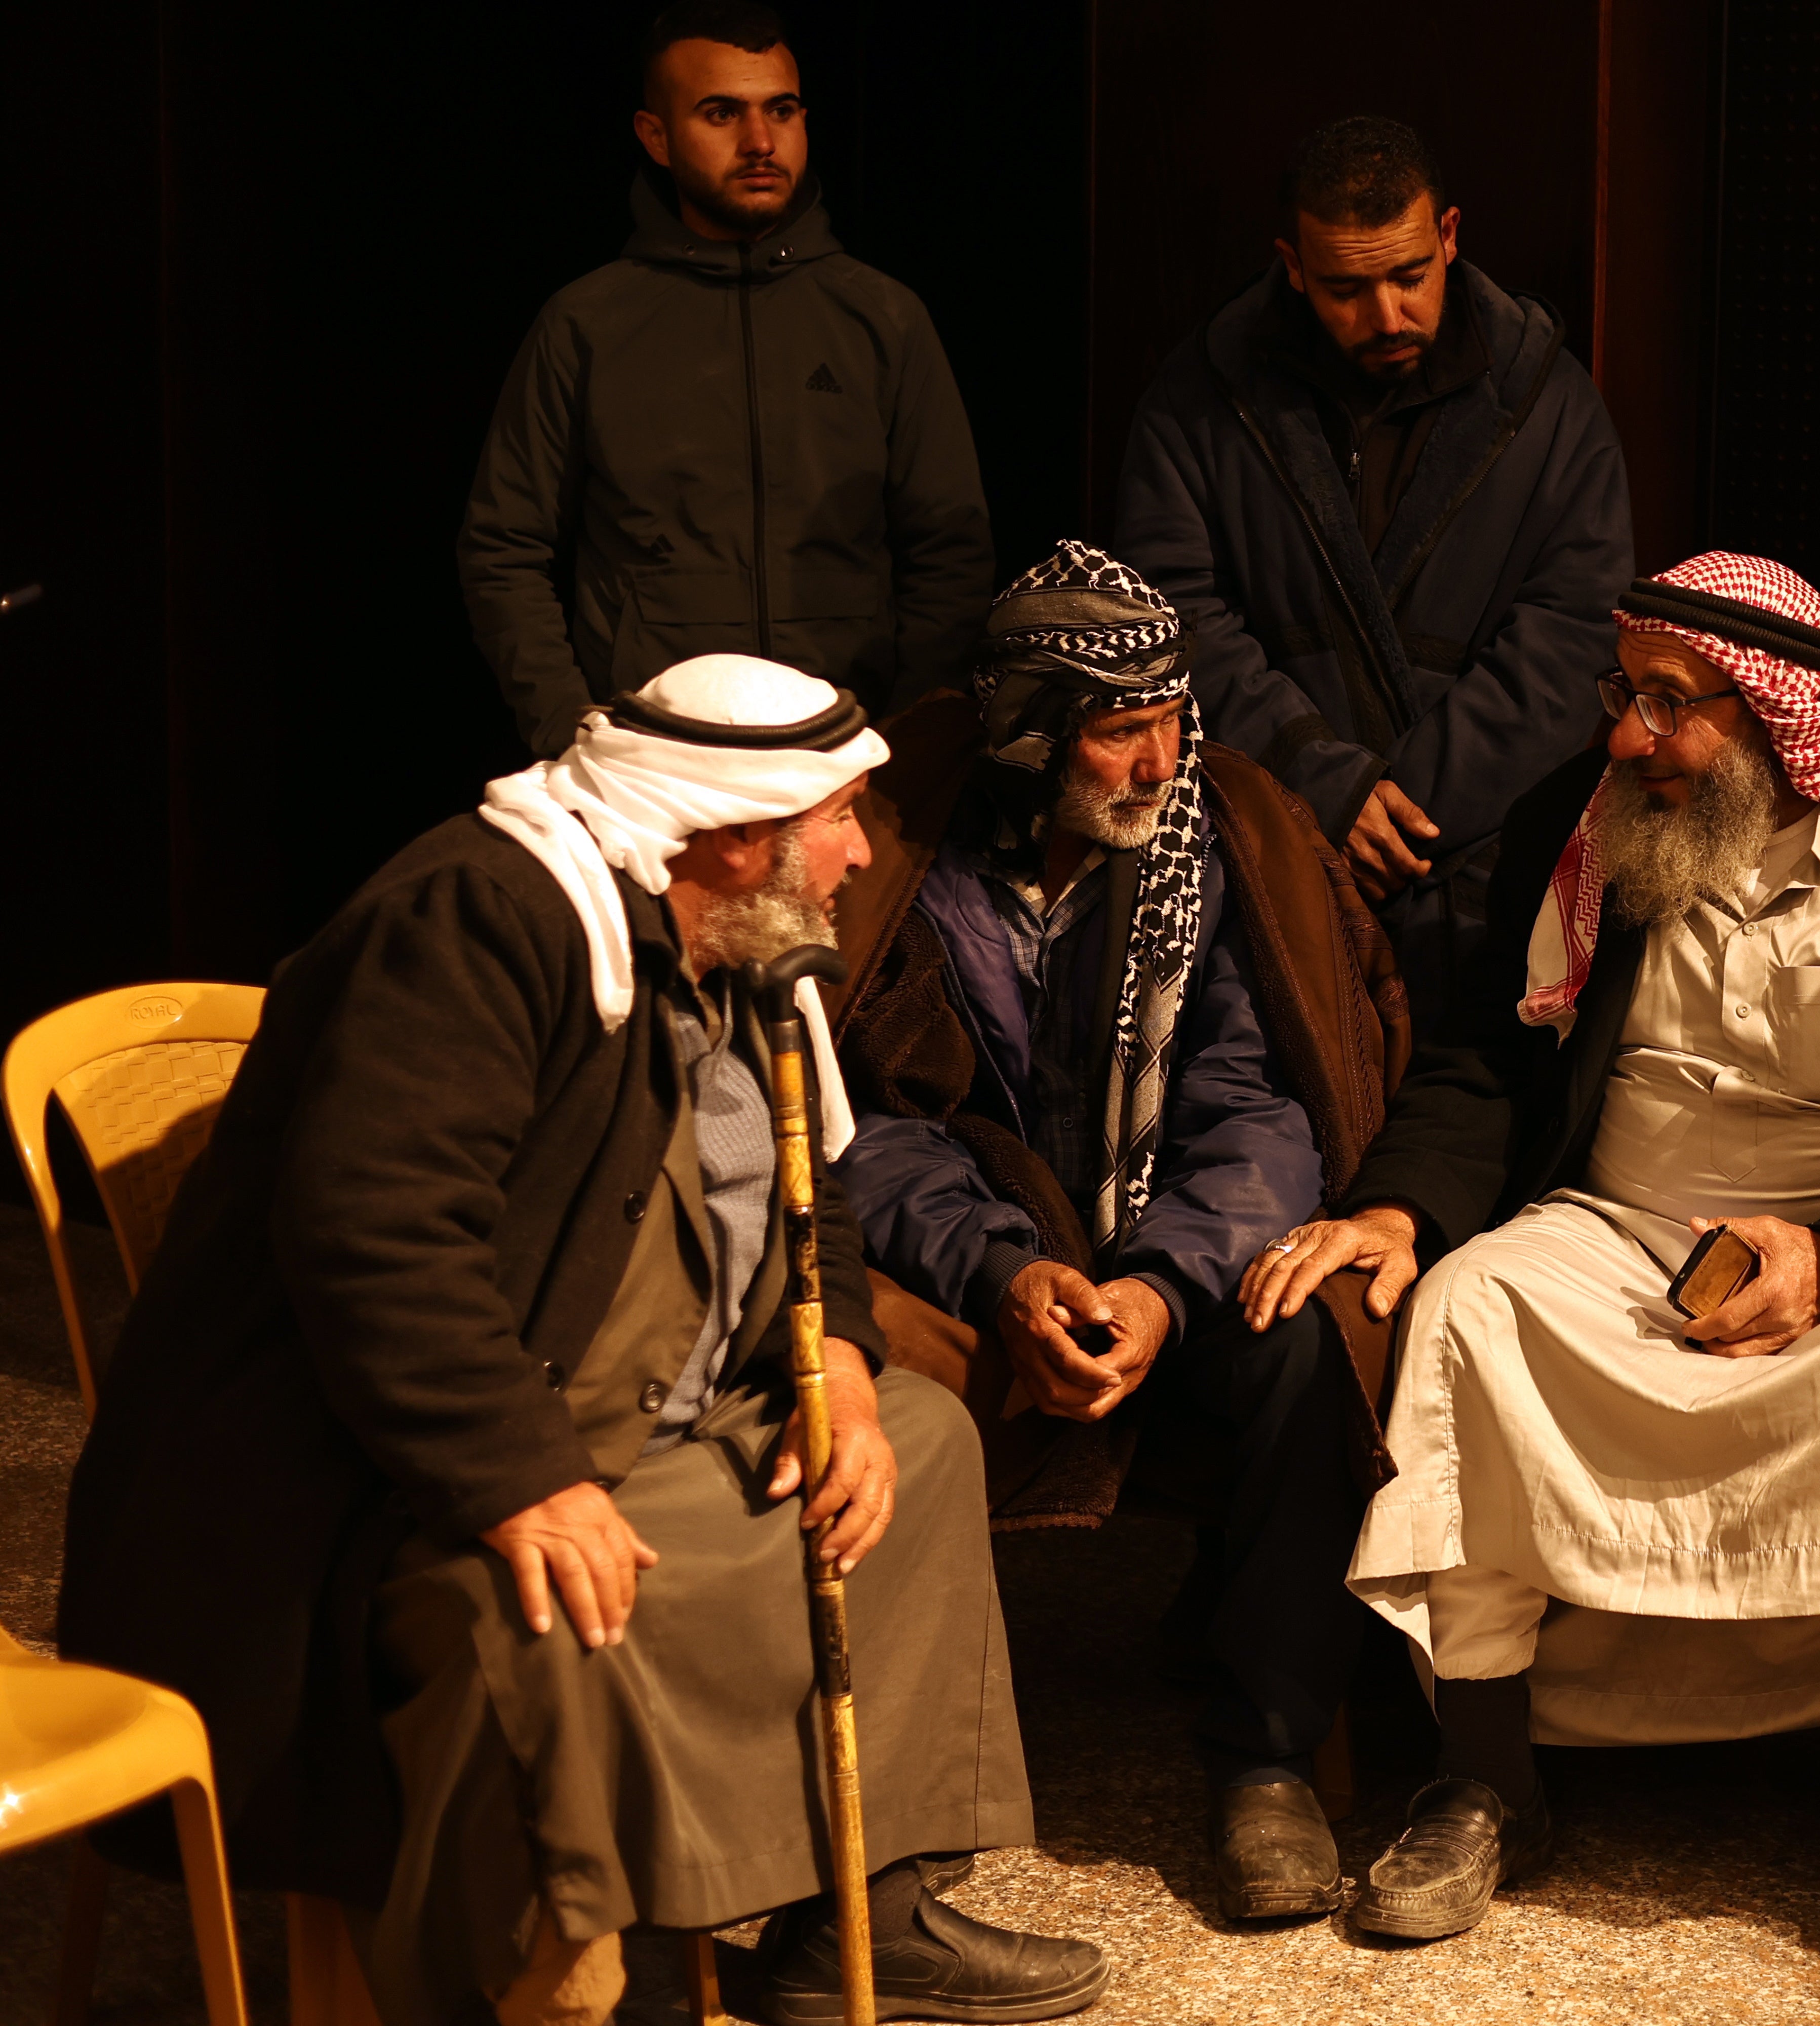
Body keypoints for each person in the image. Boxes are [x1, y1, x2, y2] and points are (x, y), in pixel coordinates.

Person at [58, 659, 1103, 2026]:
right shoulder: (478, 924)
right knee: (546, 1611)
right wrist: (522, 1478)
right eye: (843, 817)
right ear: (737, 834)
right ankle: (545, 1985)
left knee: (918, 1438)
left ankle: (863, 1908)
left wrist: (840, 1360)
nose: (863, 854)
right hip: (386, 1472)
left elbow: (812, 1192)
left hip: (654, 1401)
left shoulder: (739, 947)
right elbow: (377, 1232)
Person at [1242, 552, 1820, 1980]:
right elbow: (1493, 1060)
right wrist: (1400, 1209)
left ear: (1779, 717)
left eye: (1667, 702)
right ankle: (1482, 1778)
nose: (1625, 736)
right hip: (1623, 1222)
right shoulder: (1587, 829)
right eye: (1621, 693)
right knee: (1466, 1311)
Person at [830, 542, 1408, 1923]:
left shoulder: (1222, 844)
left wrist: (1158, 1284)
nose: (1159, 760)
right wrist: (1002, 1267)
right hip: (970, 1263)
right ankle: (894, 1810)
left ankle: (1267, 1755)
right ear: (1033, 730)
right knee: (854, 1360)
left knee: (1310, 1337)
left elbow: (1260, 1103)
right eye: (1119, 730)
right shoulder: (911, 851)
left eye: (1170, 720)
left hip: (1177, 1251)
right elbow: (878, 1118)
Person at [1114, 114, 1632, 1038]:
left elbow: (1573, 631)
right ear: (1293, 265)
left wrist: (1405, 812)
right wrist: (1323, 786)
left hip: (1483, 874)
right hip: (1269, 859)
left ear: (1450, 235)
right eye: (1347, 288)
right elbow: (1172, 615)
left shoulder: (1548, 402)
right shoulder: (1202, 399)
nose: (1388, 316)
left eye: (1410, 276)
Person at [460, 0, 992, 757]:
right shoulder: (586, 323)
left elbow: (951, 550)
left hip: (846, 759)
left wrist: (905, 744)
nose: (761, 141)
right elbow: (504, 548)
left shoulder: (884, 317)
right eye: (721, 114)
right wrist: (570, 730)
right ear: (656, 136)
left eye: (782, 110)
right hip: (649, 765)